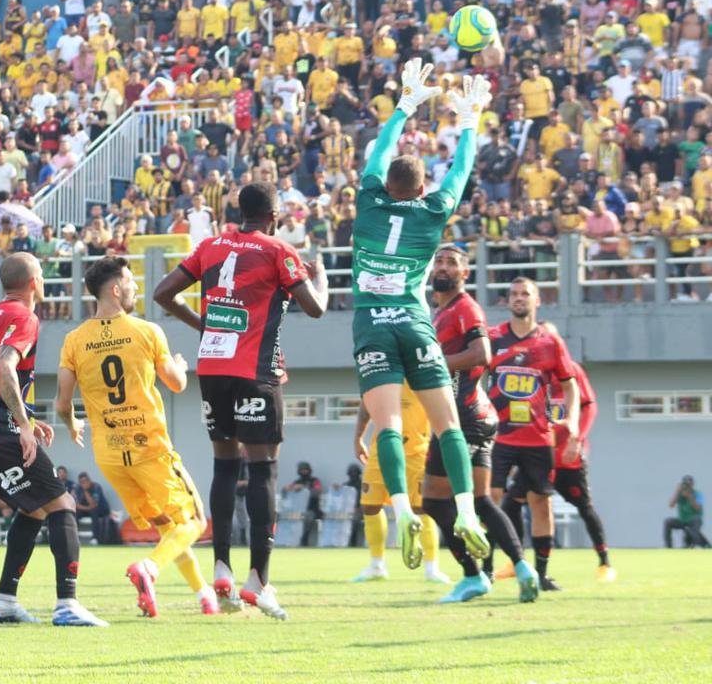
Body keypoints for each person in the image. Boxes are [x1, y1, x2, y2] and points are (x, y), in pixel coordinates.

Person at [152, 181, 329, 620]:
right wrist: (318, 277)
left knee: (225, 465)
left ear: (238, 210)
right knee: (264, 467)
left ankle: (221, 568)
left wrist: (207, 329)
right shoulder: (277, 250)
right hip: (256, 371)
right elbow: (316, 309)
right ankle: (258, 582)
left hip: (213, 368)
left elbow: (162, 294)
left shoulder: (211, 245)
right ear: (274, 217)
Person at [348, 59, 492, 571]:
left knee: (387, 424)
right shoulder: (434, 211)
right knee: (447, 423)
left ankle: (404, 510)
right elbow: (461, 169)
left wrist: (407, 103)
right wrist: (469, 119)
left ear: (385, 184)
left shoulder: (366, 201)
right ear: (421, 186)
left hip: (371, 324)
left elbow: (380, 151)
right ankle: (467, 512)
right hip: (413, 320)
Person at [0, 252, 106, 626]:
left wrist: (28, 419)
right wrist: (21, 423)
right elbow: (4, 367)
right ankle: (68, 605)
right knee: (61, 503)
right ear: (35, 282)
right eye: (42, 275)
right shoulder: (24, 316)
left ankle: (4, 600)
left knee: (34, 507)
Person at [57, 255, 218, 617]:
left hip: (111, 456)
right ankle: (150, 569)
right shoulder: (147, 331)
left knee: (169, 531)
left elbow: (62, 402)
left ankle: (204, 595)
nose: (135, 288)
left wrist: (72, 424)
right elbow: (176, 384)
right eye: (130, 281)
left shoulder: (74, 340)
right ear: (115, 289)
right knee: (193, 522)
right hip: (150, 449)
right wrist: (180, 367)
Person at [422, 246, 538, 605]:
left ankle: (474, 575)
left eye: (451, 263)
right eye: (439, 261)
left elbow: (481, 355)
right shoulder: (439, 312)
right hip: (476, 416)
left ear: (464, 273)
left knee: (435, 501)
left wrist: (434, 364)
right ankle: (523, 569)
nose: (443, 267)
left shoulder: (465, 308)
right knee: (480, 500)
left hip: (463, 418)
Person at [487, 278, 580, 591]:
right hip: (498, 436)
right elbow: (473, 378)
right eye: (513, 294)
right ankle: (484, 570)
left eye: (525, 294)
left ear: (537, 301)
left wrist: (573, 425)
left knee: (541, 503)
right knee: (489, 500)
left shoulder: (550, 342)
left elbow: (570, 386)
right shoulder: (493, 338)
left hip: (538, 438)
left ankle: (541, 573)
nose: (518, 298)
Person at [502, 345, 615, 582]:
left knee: (584, 506)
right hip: (537, 455)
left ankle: (604, 562)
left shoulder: (571, 371)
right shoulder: (530, 371)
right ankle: (517, 561)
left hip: (566, 459)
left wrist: (577, 439)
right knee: (511, 503)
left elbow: (589, 406)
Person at [352, 385, 450, 585]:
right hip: (381, 449)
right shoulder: (381, 369)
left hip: (417, 450)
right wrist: (358, 437)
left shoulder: (420, 369)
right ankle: (376, 565)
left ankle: (432, 568)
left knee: (421, 508)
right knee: (370, 506)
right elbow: (366, 402)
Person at [664, 475, 709, 548]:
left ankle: (700, 545)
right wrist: (677, 492)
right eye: (685, 484)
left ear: (692, 485)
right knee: (667, 522)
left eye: (689, 485)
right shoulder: (679, 494)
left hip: (694, 520)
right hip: (682, 520)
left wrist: (690, 497)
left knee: (693, 529)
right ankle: (669, 547)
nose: (687, 487)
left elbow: (698, 508)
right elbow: (671, 505)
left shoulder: (698, 494)